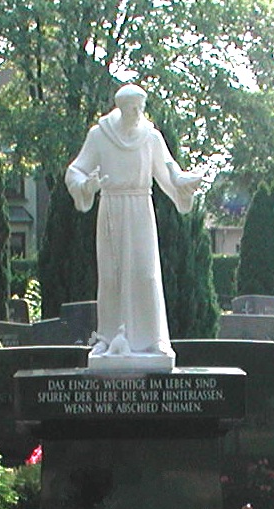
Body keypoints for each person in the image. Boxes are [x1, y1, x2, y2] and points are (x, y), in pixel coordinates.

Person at [65, 84, 202, 367]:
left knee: (145, 274)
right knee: (112, 276)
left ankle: (153, 339)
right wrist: (86, 185)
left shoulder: (150, 136)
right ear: (121, 108)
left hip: (141, 207)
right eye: (132, 108)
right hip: (112, 208)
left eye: (140, 107)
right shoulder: (100, 135)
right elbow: (75, 170)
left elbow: (168, 170)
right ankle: (108, 337)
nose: (137, 113)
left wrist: (183, 183)